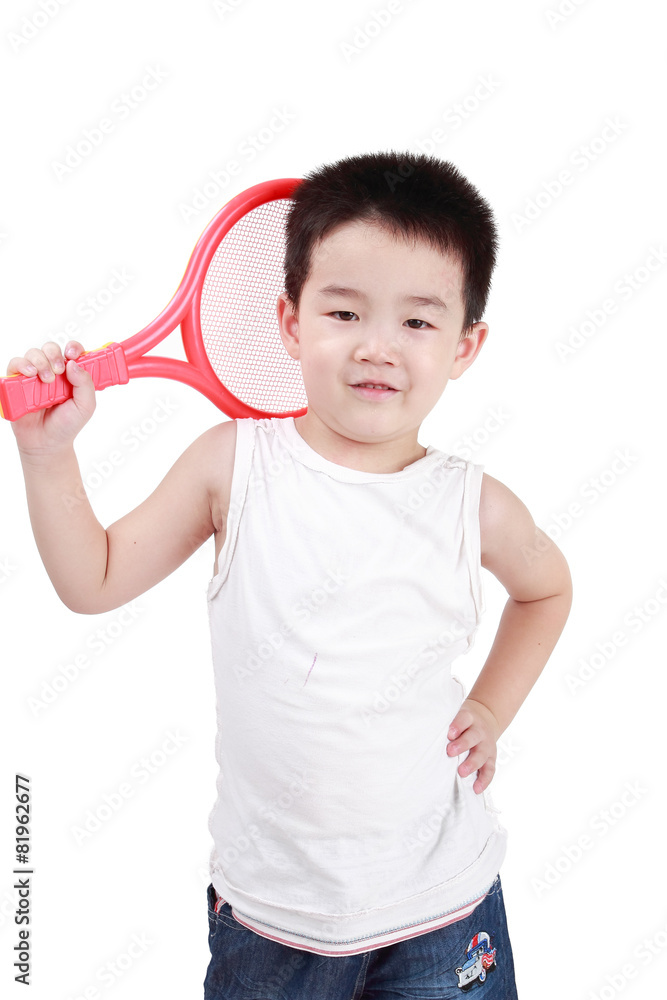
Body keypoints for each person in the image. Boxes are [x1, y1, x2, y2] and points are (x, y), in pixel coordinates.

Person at [6, 150, 572, 999]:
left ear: (465, 346)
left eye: (417, 322)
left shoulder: (473, 504)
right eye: (343, 311)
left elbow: (546, 589)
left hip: (445, 906)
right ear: (288, 321)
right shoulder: (232, 466)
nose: (377, 346)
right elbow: (94, 581)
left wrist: (491, 707)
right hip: (271, 920)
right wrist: (47, 457)